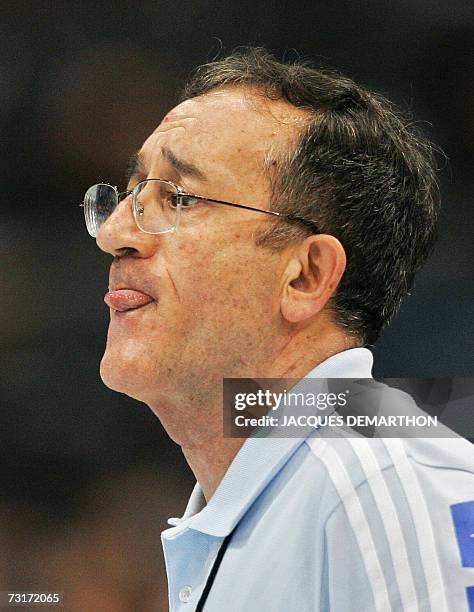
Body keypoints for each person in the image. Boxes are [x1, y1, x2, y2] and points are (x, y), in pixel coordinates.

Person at [82, 48, 474, 611]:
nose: (114, 231)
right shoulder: (282, 504)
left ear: (306, 276)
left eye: (179, 197)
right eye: (131, 192)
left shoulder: (385, 487)